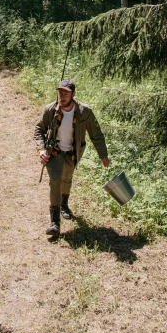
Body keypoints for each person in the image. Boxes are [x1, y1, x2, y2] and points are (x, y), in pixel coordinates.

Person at [34, 78, 109, 237]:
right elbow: (39, 130)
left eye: (66, 93)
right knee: (55, 181)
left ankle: (64, 205)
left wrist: (103, 155)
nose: (62, 96)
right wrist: (41, 150)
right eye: (60, 93)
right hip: (54, 151)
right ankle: (54, 222)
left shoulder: (85, 112)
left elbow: (96, 135)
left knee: (66, 179)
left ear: (73, 95)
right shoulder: (51, 110)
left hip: (73, 152)